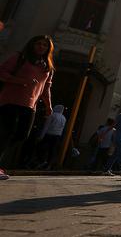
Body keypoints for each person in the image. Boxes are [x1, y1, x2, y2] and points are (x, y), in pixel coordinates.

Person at [0, 35, 55, 180]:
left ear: (49, 49)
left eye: (45, 45)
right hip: (10, 101)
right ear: (32, 45)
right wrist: (21, 81)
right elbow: (2, 73)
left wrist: (49, 106)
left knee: (21, 135)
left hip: (30, 105)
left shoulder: (47, 66)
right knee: (7, 132)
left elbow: (46, 87)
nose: (41, 47)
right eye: (38, 44)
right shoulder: (20, 58)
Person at [35, 104, 67, 169]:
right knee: (52, 150)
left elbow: (46, 127)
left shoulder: (52, 116)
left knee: (41, 147)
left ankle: (42, 161)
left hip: (48, 134)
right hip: (57, 136)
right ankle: (49, 164)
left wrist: (41, 136)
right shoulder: (64, 118)